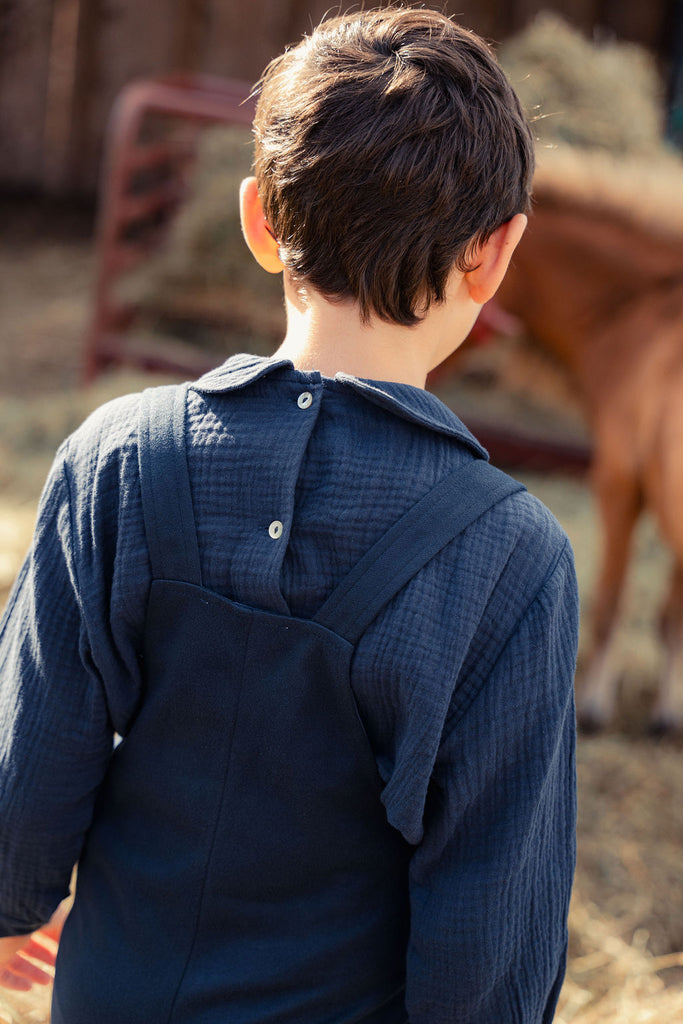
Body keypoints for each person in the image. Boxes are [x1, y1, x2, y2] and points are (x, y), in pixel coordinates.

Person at [0, 7, 579, 1022]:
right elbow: (485, 949)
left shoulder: (116, 462)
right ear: (492, 257)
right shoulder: (508, 557)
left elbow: (17, 824)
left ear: (259, 220)